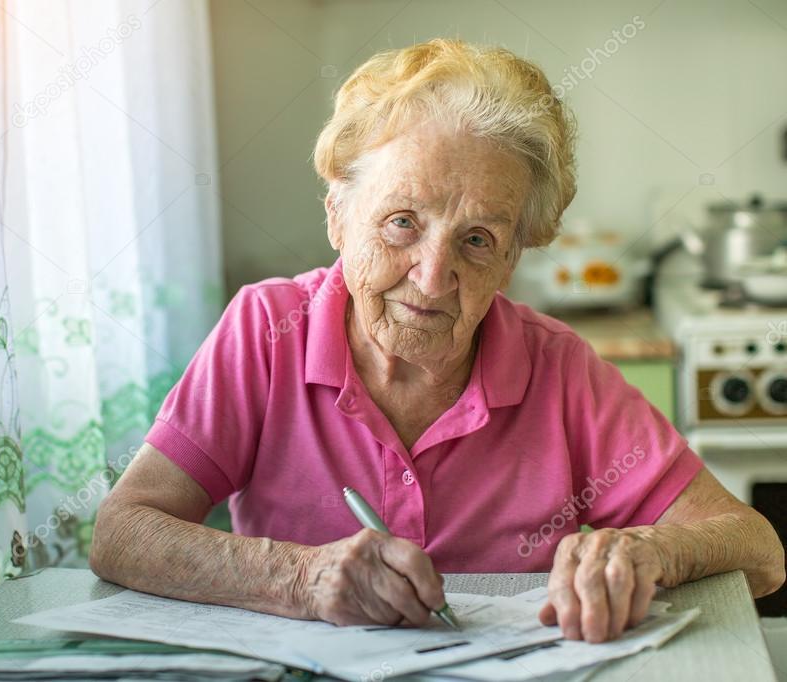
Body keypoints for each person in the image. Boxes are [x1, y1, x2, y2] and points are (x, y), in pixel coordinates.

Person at [89, 39, 784, 643]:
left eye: (476, 240)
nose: (430, 277)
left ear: (511, 260)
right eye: (400, 223)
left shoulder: (557, 368)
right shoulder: (267, 329)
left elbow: (758, 550)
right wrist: (300, 577)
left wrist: (644, 550)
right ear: (338, 214)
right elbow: (122, 532)